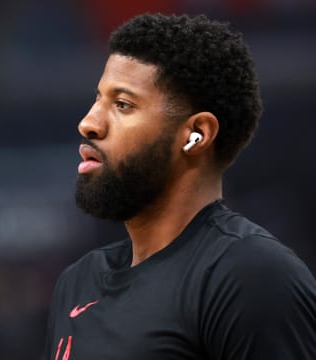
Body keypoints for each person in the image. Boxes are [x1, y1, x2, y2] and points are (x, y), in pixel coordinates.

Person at [44, 13, 316, 359]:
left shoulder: (251, 276)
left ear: (196, 135)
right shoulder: (78, 281)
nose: (89, 123)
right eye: (97, 99)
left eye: (122, 105)